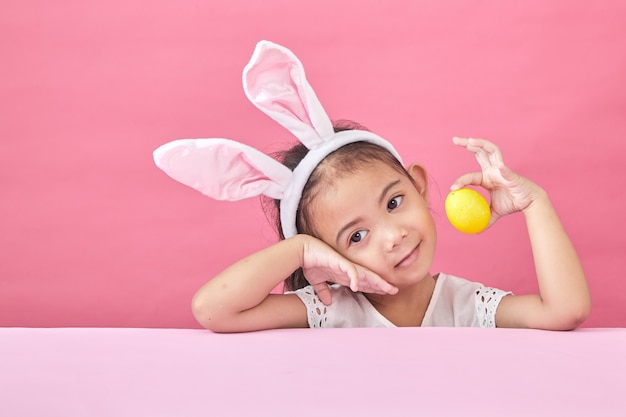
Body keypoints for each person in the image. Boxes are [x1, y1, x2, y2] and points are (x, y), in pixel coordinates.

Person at [153, 41, 591, 332]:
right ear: (330, 256)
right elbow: (212, 309)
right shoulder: (330, 310)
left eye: (395, 202)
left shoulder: (465, 305)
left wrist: (535, 203)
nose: (394, 235)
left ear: (419, 185)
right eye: (356, 236)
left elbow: (565, 310)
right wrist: (300, 251)